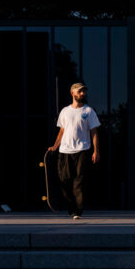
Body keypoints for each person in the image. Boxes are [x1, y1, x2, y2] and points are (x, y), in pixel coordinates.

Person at [47, 82, 100, 219]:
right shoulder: (65, 111)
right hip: (65, 151)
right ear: (73, 93)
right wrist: (55, 146)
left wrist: (96, 151)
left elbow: (94, 132)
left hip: (82, 150)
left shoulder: (89, 111)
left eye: (84, 91)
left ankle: (78, 210)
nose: (82, 94)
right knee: (64, 180)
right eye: (80, 91)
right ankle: (71, 206)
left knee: (79, 181)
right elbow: (62, 131)